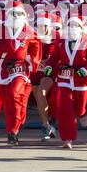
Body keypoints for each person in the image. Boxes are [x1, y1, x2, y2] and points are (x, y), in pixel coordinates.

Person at [0, 1, 42, 146]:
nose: (16, 16)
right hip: (3, 67)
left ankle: (13, 131)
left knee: (14, 95)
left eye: (19, 14)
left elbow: (36, 45)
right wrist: (7, 46)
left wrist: (32, 60)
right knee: (8, 102)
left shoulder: (29, 31)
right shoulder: (0, 29)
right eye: (13, 13)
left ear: (24, 15)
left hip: (20, 68)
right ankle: (16, 124)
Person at [44, 15, 87, 149]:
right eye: (70, 25)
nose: (73, 28)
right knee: (65, 109)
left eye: (76, 25)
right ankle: (67, 139)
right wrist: (49, 66)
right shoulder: (61, 41)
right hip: (64, 78)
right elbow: (54, 57)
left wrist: (86, 70)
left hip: (81, 79)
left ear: (81, 28)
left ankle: (82, 113)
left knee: (79, 107)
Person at [32, 11, 60, 141]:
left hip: (51, 74)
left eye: (46, 25)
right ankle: (47, 125)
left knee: (42, 94)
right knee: (40, 101)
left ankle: (49, 124)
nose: (43, 28)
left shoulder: (58, 38)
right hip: (35, 73)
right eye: (40, 25)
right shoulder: (32, 37)